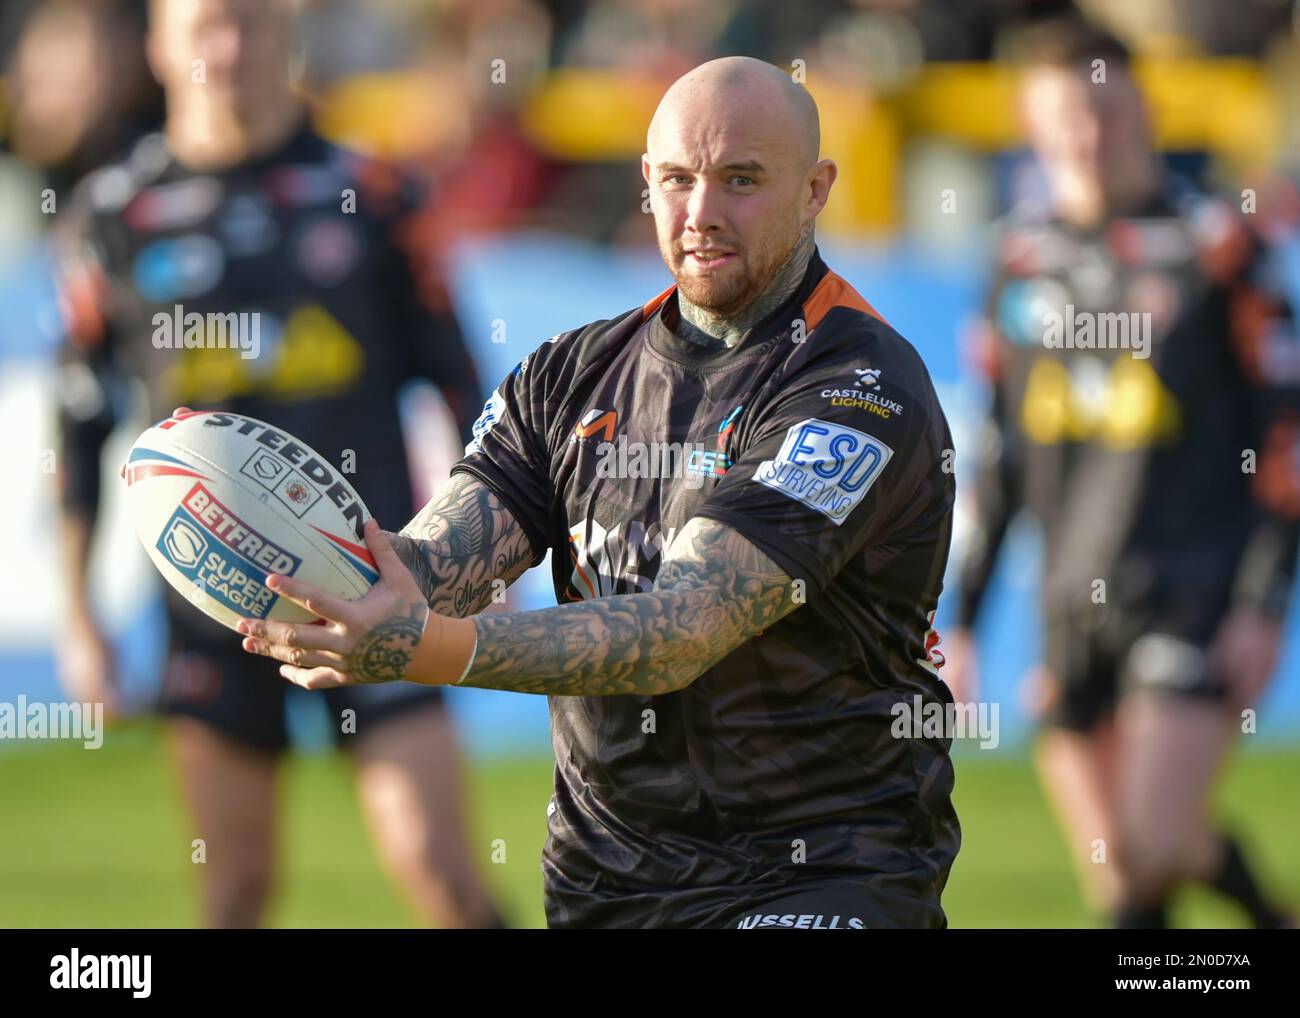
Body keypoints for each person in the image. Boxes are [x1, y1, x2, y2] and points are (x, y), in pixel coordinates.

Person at [236, 55, 961, 930]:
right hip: (604, 885)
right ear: (647, 183)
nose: (701, 215)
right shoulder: (565, 377)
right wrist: (306, 566)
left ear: (815, 190)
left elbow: (681, 633)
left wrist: (425, 647)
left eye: (742, 180)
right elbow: (433, 565)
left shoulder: (857, 384)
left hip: (822, 872)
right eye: (679, 180)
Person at [54, 0, 505, 929]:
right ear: (159, 44)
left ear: (286, 35)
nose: (227, 47)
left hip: (379, 585)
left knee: (444, 876)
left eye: (251, 22)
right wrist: (79, 619)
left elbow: (465, 393)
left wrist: (486, 556)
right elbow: (78, 428)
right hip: (210, 605)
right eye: (203, 25)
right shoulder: (112, 215)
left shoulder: (374, 194)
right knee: (233, 894)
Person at [943, 17, 1298, 928]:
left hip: (1193, 594)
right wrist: (967, 620)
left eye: (1105, 106)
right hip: (1067, 602)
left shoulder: (1218, 247)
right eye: (1066, 112)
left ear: (1144, 105)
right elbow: (997, 455)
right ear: (1029, 119)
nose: (1088, 133)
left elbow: (1285, 445)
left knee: (1141, 863)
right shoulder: (1017, 260)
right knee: (1134, 868)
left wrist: (1262, 605)